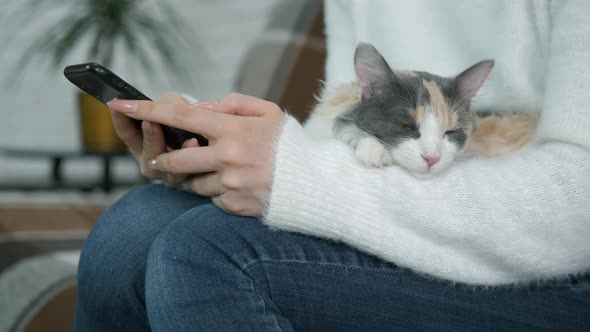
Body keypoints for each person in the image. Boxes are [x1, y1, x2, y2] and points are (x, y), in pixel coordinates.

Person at [74, 1, 590, 330]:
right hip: (412, 194)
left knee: (204, 251)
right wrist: (217, 141)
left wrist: (295, 178)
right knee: (133, 227)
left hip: (557, 264)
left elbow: (577, 204)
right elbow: (345, 116)